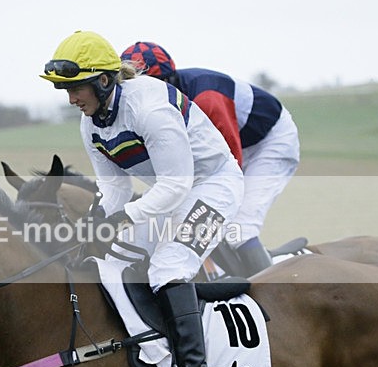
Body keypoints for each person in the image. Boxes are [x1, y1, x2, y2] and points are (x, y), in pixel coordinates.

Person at [40, 30, 244, 367]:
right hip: (169, 192)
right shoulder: (90, 122)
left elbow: (176, 186)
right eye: (64, 90)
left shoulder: (149, 109)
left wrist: (121, 219)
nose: (71, 99)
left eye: (76, 88)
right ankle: (157, 355)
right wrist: (94, 223)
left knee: (168, 265)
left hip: (214, 186)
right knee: (110, 261)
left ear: (103, 81)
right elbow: (114, 188)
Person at [121, 42, 301, 277]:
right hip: (233, 142)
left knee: (239, 228)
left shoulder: (207, 98)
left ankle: (273, 291)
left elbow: (229, 163)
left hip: (269, 142)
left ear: (168, 80)